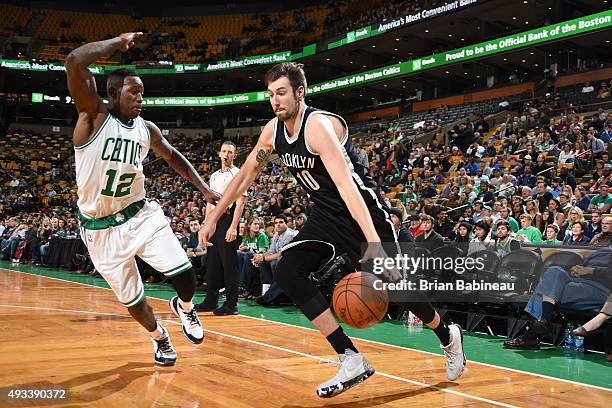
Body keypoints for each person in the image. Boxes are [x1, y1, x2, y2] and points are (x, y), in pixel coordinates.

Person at [199, 62, 466, 398]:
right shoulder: (272, 132)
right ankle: (350, 357)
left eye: (281, 93)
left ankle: (447, 335)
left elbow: (348, 189)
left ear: (300, 92)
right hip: (326, 215)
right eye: (270, 95)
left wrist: (373, 244)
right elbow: (243, 177)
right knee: (289, 271)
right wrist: (213, 217)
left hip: (363, 212)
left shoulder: (317, 128)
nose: (275, 101)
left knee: (395, 288)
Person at [66, 32, 219, 366]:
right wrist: (117, 43)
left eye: (142, 93)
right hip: (100, 229)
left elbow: (172, 155)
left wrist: (203, 188)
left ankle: (186, 308)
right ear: (112, 93)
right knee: (135, 302)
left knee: (186, 275)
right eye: (134, 91)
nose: (140, 98)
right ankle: (160, 338)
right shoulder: (92, 119)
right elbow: (75, 61)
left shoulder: (145, 128)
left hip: (140, 214)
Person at [195, 141, 246, 315]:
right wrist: (206, 223)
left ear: (234, 155)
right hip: (214, 220)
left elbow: (240, 202)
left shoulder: (238, 174)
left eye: (229, 152)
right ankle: (211, 300)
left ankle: (232, 305)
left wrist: (233, 227)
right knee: (212, 263)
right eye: (224, 151)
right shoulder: (214, 175)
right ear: (219, 154)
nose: (226, 154)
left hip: (228, 218)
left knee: (229, 264)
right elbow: (210, 202)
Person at [253, 214, 297, 306]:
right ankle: (266, 293)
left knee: (275, 263)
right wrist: (259, 256)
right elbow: (271, 252)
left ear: (287, 224)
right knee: (264, 264)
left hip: (292, 262)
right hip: (281, 260)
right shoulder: (276, 235)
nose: (278, 224)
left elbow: (282, 254)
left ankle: (270, 297)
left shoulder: (289, 235)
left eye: (281, 222)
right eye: (276, 223)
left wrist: (263, 258)